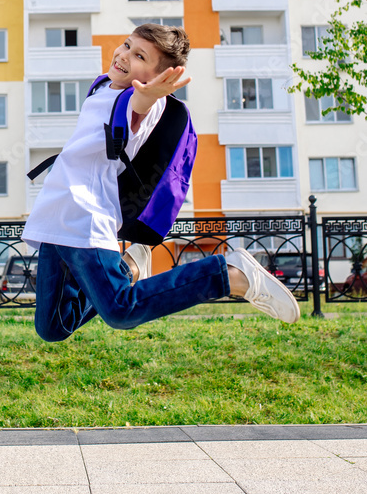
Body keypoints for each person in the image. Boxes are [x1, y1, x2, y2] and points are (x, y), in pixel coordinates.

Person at [22, 24, 300, 342]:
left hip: (82, 219)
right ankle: (129, 269)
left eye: (139, 55)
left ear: (157, 78)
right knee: (53, 327)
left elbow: (138, 109)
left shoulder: (139, 103)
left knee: (120, 310)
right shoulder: (103, 87)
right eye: (127, 45)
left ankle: (228, 275)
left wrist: (148, 95)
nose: (124, 56)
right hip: (53, 217)